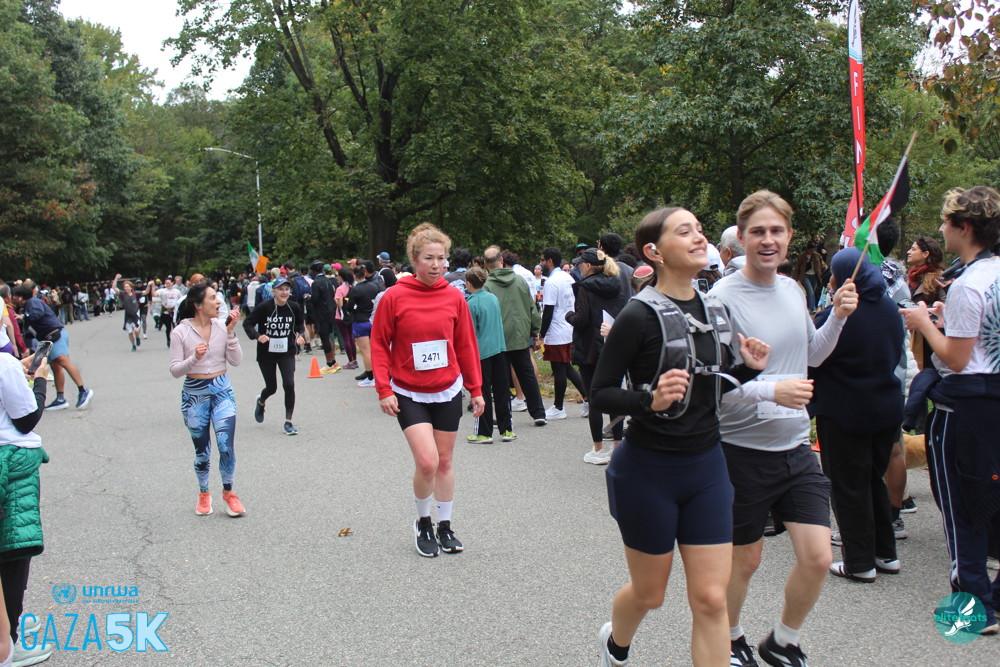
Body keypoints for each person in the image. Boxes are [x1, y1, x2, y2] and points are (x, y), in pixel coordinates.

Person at [590, 207, 770, 666]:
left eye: (700, 230)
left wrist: (746, 369)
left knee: (711, 599)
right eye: (684, 231)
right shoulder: (637, 315)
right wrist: (648, 400)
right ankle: (616, 642)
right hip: (647, 472)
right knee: (650, 594)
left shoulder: (716, 310)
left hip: (707, 468)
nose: (698, 237)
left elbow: (710, 388)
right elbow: (601, 392)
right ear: (654, 251)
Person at [709, 190, 858, 667]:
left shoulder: (794, 289)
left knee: (817, 557)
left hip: (795, 446)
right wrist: (773, 390)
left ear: (790, 236)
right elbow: (715, 386)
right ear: (742, 237)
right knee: (745, 560)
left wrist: (838, 317)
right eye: (758, 232)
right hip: (740, 450)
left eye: (776, 231)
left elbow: (811, 355)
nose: (768, 240)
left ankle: (782, 641)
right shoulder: (721, 299)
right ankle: (730, 639)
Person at [900, 185, 1000, 635]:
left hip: (964, 410)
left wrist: (924, 322)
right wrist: (946, 320)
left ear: (965, 227)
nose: (942, 230)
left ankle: (973, 608)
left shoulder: (968, 284)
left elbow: (957, 359)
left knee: (962, 508)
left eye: (945, 222)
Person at [371, 223, 484, 557]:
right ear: (414, 260)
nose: (436, 265)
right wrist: (383, 389)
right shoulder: (394, 296)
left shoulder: (454, 297)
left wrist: (476, 389)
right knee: (427, 462)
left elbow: (466, 345)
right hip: (408, 390)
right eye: (429, 258)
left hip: (447, 388)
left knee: (445, 461)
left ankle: (445, 525)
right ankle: (423, 521)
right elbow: (379, 343)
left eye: (441, 258)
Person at [810, 248, 904, 582]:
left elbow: (813, 355)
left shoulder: (840, 314)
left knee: (848, 486)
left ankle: (859, 562)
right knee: (872, 479)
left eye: (835, 272)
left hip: (845, 411)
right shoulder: (889, 308)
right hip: (886, 408)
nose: (831, 279)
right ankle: (885, 552)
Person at [169, 284, 245, 517]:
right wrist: (194, 357)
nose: (218, 302)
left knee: (225, 446)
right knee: (202, 451)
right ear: (198, 304)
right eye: (213, 298)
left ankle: (229, 493)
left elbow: (237, 361)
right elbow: (175, 370)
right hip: (195, 395)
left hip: (222, 391)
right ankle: (204, 492)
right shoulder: (180, 332)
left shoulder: (221, 327)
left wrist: (230, 333)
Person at [0, 349, 53, 667]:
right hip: (10, 465)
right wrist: (40, 381)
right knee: (12, 555)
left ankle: (9, 633)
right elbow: (26, 420)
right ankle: (8, 644)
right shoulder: (3, 363)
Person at [567, 248, 626, 465]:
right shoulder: (617, 285)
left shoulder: (585, 287)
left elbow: (581, 320)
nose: (578, 267)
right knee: (615, 397)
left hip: (589, 349)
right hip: (613, 345)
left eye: (580, 264)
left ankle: (598, 449)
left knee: (594, 399)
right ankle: (618, 447)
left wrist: (569, 316)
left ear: (588, 266)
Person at [483, 246, 546, 425]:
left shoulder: (487, 286)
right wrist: (535, 329)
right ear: (502, 260)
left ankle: (505, 417)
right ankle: (538, 412)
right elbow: (531, 307)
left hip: (499, 338)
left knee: (501, 380)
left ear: (486, 264)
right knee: (527, 375)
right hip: (520, 335)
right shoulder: (519, 281)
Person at [10, 284, 94, 411]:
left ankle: (83, 390)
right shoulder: (28, 306)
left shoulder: (32, 302)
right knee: (55, 366)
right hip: (48, 337)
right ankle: (60, 399)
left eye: (14, 296)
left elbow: (37, 314)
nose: (13, 298)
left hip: (55, 334)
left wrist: (23, 317)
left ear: (20, 297)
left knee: (63, 361)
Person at [243, 277, 306, 436]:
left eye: (287, 289)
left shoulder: (294, 307)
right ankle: (261, 401)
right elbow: (248, 323)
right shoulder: (264, 307)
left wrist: (300, 335)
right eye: (280, 289)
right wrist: (258, 336)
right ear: (273, 291)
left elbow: (300, 325)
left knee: (289, 384)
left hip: (286, 352)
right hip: (267, 353)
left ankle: (288, 421)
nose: (284, 292)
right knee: (272, 387)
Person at [464, 267, 513, 444]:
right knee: (501, 390)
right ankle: (507, 429)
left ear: (469, 283)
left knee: (482, 391)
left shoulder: (471, 303)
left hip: (481, 352)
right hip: (499, 347)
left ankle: (484, 432)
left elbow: (469, 331)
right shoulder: (493, 298)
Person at [539, 247, 586, 420]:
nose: (541, 264)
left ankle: (559, 407)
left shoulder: (551, 282)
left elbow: (548, 311)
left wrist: (541, 334)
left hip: (556, 329)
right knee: (566, 366)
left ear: (550, 261)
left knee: (558, 368)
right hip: (568, 326)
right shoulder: (568, 277)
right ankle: (588, 398)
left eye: (542, 260)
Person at [347, 263, 380, 387]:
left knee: (366, 351)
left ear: (355, 276)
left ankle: (371, 377)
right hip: (373, 320)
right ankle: (377, 374)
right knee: (374, 350)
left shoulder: (355, 289)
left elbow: (349, 307)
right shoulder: (374, 286)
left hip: (360, 321)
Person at [308, 261, 340, 374]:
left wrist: (308, 298)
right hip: (330, 310)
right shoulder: (328, 280)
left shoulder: (316, 282)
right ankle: (334, 361)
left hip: (321, 312)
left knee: (324, 337)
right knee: (329, 336)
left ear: (314, 271)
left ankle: (329, 363)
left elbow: (315, 298)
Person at [334, 268, 358, 370]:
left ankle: (350, 361)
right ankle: (355, 360)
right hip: (350, 315)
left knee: (346, 338)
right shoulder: (352, 288)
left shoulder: (340, 289)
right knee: (351, 338)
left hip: (340, 316)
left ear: (341, 277)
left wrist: (335, 299)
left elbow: (340, 304)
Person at [111, 274, 142, 352]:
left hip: (135, 315)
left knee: (136, 330)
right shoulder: (123, 294)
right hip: (128, 316)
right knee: (130, 332)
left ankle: (137, 337)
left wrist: (150, 285)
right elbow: (114, 288)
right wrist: (116, 278)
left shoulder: (135, 294)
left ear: (131, 287)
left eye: (127, 286)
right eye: (125, 287)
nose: (126, 288)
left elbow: (146, 292)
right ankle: (133, 345)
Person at [159, 278, 181, 347]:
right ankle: (168, 340)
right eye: (166, 283)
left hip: (174, 311)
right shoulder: (163, 291)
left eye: (168, 283)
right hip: (166, 311)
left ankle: (177, 341)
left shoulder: (177, 291)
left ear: (172, 283)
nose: (167, 284)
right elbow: (155, 294)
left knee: (176, 327)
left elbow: (180, 300)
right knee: (168, 328)